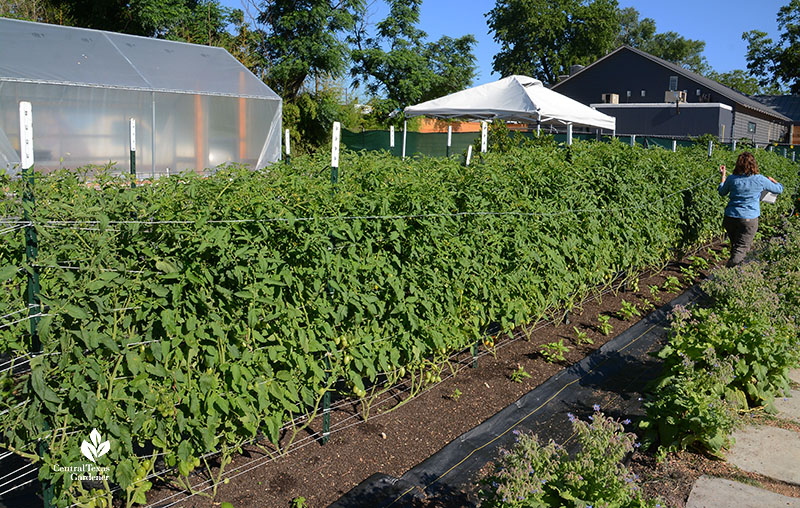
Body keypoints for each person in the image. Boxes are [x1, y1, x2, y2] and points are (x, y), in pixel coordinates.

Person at [717, 151, 783, 267]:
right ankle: (729, 270)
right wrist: (774, 181)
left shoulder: (732, 179)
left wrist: (723, 176)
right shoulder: (759, 179)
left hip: (730, 217)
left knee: (736, 246)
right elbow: (778, 189)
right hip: (748, 218)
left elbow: (722, 192)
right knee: (741, 248)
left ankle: (734, 273)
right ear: (754, 165)